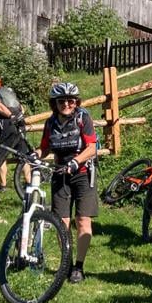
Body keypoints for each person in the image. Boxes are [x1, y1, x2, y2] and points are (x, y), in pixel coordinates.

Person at [39, 82, 98, 284]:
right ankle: (67, 262)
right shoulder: (51, 123)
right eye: (61, 101)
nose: (66, 104)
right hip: (60, 174)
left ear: (76, 102)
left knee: (82, 221)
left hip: (82, 173)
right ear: (54, 103)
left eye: (70, 100)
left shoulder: (83, 117)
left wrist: (75, 162)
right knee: (61, 223)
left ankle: (79, 266)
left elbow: (92, 148)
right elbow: (44, 148)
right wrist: (34, 155)